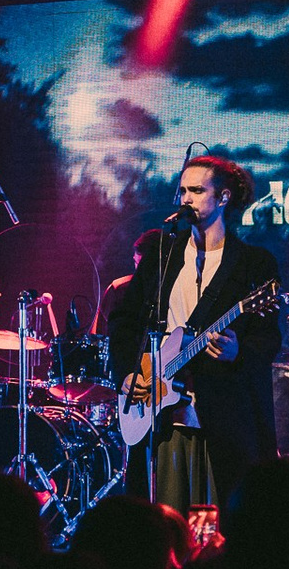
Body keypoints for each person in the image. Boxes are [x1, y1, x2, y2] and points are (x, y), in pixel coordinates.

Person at [109, 156, 279, 514]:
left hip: (223, 418)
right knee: (163, 520)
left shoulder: (254, 263)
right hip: (162, 417)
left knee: (219, 522)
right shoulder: (161, 256)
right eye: (183, 190)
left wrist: (239, 352)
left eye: (197, 191)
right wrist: (126, 372)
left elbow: (268, 338)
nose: (186, 198)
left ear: (224, 197)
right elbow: (125, 320)